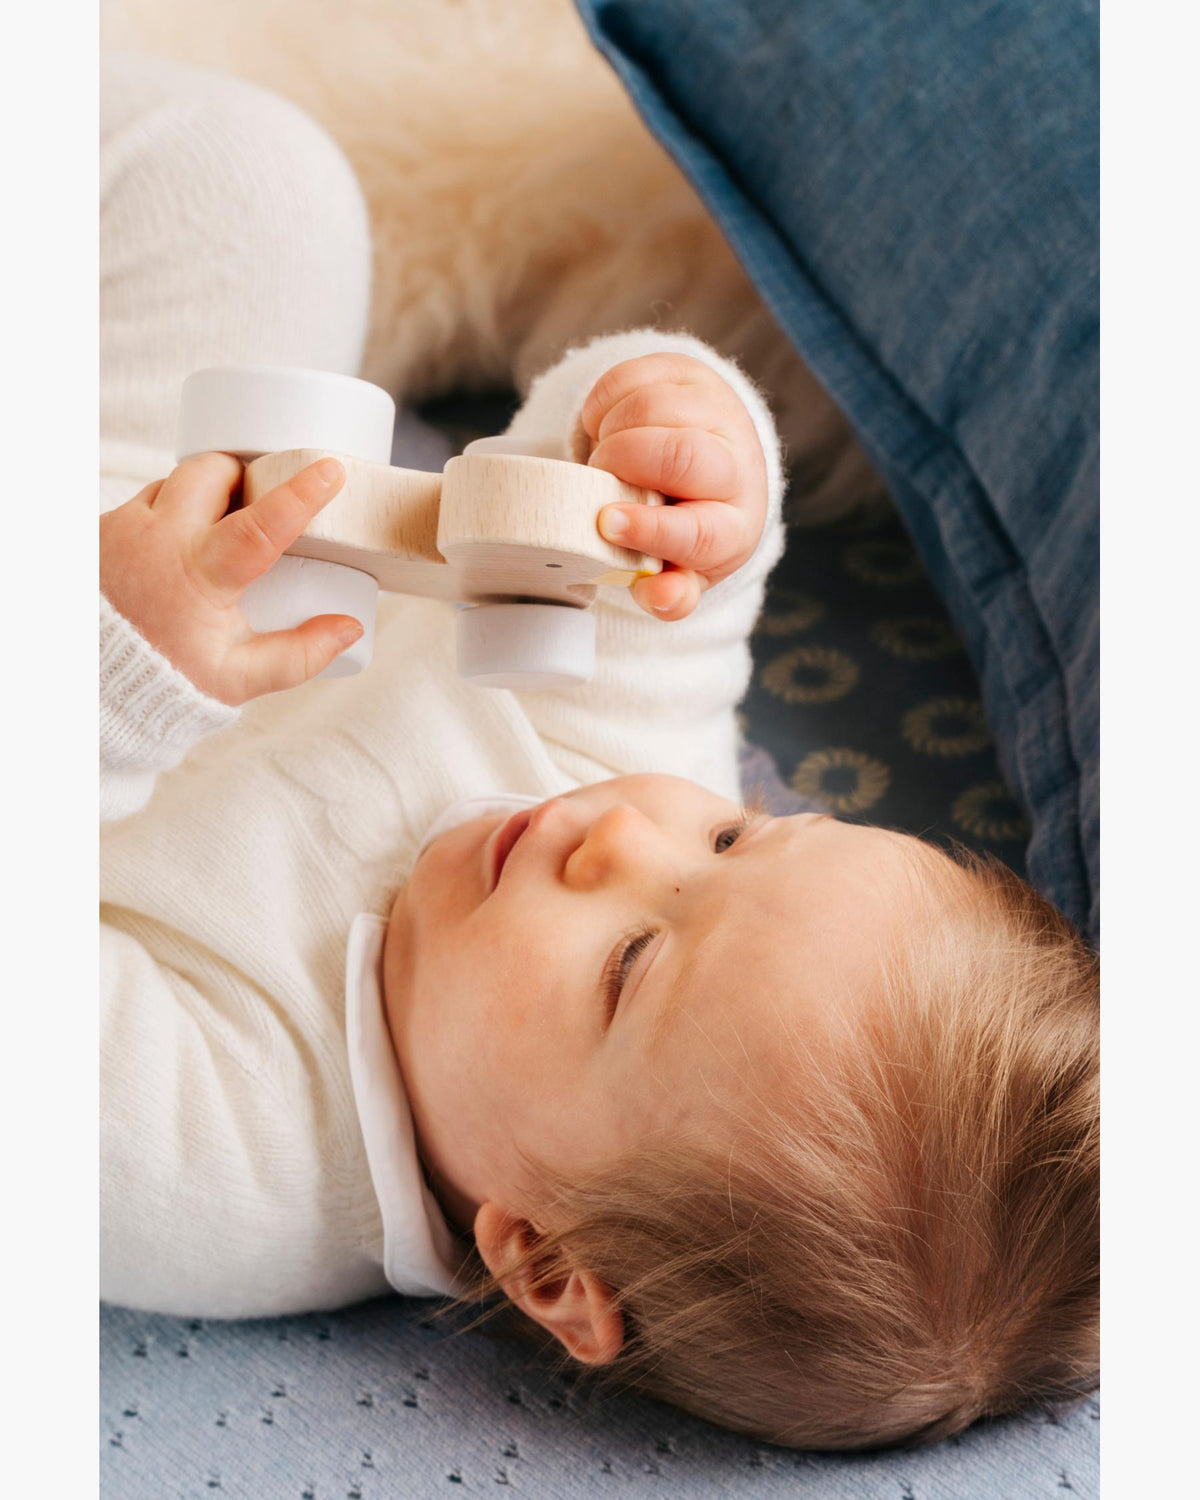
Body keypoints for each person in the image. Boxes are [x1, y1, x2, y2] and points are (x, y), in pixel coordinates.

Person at [100, 49, 1098, 1450]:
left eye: (631, 967)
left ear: (545, 1261)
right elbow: (662, 579)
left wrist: (118, 676)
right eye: (741, 835)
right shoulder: (607, 769)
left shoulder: (236, 1164)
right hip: (126, 463)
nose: (622, 838)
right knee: (261, 189)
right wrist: (679, 450)